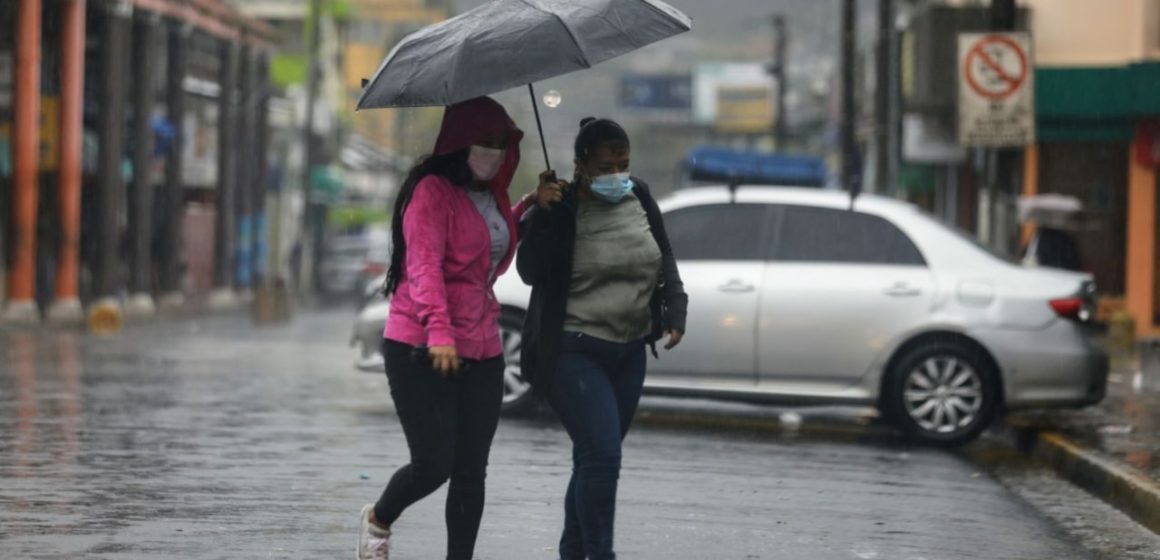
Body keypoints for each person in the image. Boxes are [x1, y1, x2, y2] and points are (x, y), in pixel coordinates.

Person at [356, 96, 547, 560]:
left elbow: (486, 250)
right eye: (485, 141)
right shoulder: (431, 192)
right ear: (459, 142)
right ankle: (378, 519)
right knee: (434, 464)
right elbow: (425, 269)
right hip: (421, 346)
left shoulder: (495, 195)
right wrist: (439, 334)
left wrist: (528, 204)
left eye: (502, 143)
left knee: (470, 471)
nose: (495, 151)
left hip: (482, 345)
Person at [517, 117, 688, 560]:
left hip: (630, 350)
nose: (617, 175)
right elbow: (530, 271)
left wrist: (675, 307)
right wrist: (541, 213)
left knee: (593, 458)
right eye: (606, 166)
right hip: (573, 349)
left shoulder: (640, 196)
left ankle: (573, 552)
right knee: (603, 458)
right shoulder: (562, 206)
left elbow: (662, 253)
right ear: (581, 165)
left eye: (624, 164)